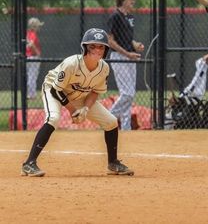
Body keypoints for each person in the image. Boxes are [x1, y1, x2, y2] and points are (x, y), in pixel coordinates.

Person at [21, 28, 134, 177]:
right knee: (53, 118)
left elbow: (95, 91)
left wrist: (86, 109)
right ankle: (29, 163)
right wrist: (72, 110)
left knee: (111, 121)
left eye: (101, 46)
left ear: (106, 49)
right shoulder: (71, 63)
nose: (96, 49)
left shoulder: (104, 68)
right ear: (85, 47)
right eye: (92, 46)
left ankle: (113, 163)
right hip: (53, 89)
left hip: (80, 95)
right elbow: (56, 90)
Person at [107, 0, 144, 130]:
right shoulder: (115, 16)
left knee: (130, 95)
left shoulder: (130, 17)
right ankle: (108, 118)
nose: (133, 0)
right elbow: (110, 41)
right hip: (119, 57)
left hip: (129, 56)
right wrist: (128, 54)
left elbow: (127, 40)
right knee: (127, 93)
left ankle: (126, 128)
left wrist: (136, 45)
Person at [26, 17, 44, 99]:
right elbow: (31, 44)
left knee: (30, 76)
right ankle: (32, 94)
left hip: (29, 57)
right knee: (32, 76)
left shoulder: (28, 33)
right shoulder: (33, 34)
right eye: (37, 26)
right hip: (33, 57)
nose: (39, 28)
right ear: (34, 26)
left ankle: (31, 93)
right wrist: (37, 53)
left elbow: (29, 44)